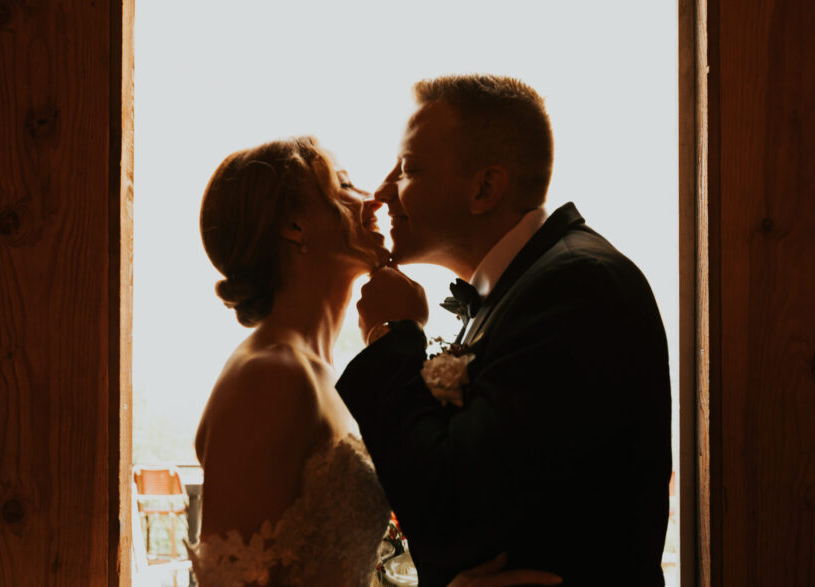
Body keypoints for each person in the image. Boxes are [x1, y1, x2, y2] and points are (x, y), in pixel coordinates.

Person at [337, 74, 672, 586]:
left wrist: (393, 338)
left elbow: (453, 518)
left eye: (408, 168)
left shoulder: (577, 286)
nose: (383, 193)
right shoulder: (526, 288)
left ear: (484, 188)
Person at [191, 137, 393, 585]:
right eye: (344, 186)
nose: (374, 198)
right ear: (295, 225)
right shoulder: (271, 375)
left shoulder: (321, 370)